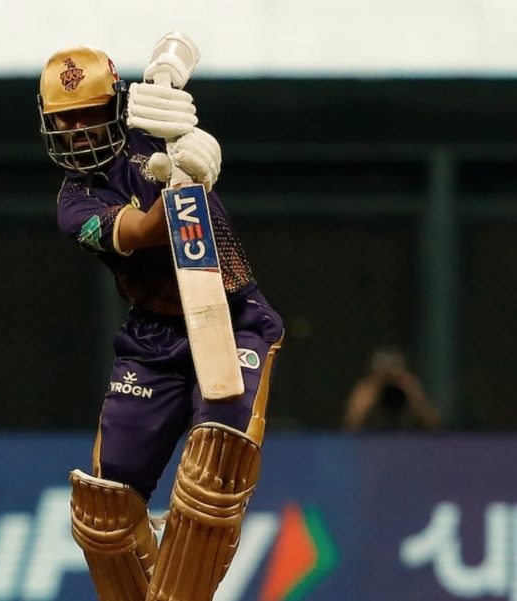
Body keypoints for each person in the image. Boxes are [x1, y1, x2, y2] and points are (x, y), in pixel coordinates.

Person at [37, 43, 285, 601]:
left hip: (233, 319)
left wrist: (193, 149)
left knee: (213, 474)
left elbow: (180, 55)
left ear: (114, 105)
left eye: (87, 114)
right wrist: (181, 187)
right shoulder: (75, 204)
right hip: (154, 341)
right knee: (104, 514)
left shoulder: (154, 131)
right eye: (64, 121)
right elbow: (145, 231)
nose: (78, 131)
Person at [344, 347, 440, 431]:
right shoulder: (368, 390)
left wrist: (413, 394)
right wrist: (372, 389)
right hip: (373, 440)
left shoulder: (409, 387)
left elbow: (433, 423)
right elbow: (351, 423)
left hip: (408, 439)